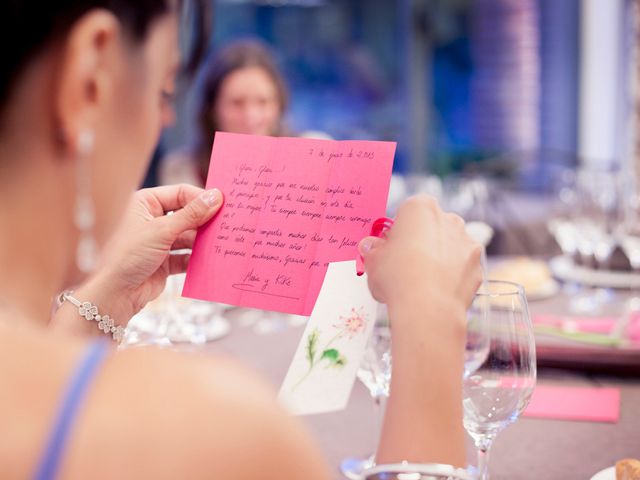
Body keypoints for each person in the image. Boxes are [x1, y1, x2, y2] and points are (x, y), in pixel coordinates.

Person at [0, 2, 482, 479]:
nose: (164, 120)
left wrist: (102, 297)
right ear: (89, 81)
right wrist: (431, 315)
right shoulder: (212, 431)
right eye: (163, 91)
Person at [159, 40, 290, 186]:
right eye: (237, 103)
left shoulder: (315, 156)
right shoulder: (179, 172)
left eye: (263, 102)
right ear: (212, 109)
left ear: (280, 104)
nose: (251, 116)